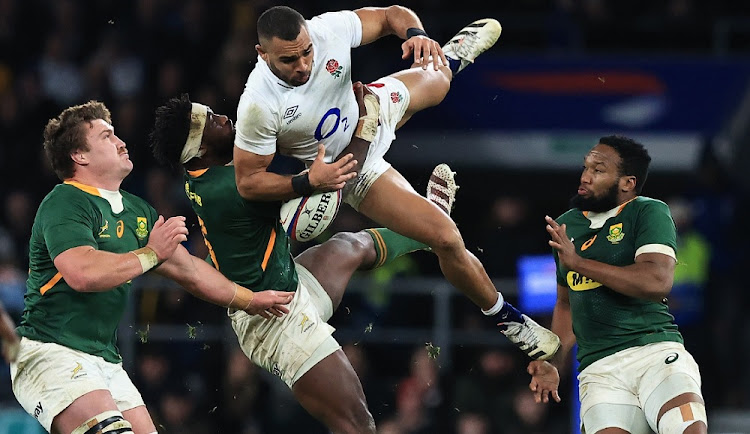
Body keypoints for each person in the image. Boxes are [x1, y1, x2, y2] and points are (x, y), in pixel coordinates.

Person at [232, 5, 559, 360]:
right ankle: (509, 320)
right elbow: (248, 182)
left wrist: (416, 35)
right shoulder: (257, 105)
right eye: (289, 60)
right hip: (352, 170)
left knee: (440, 80)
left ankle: (447, 57)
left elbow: (390, 15)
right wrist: (306, 181)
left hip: (371, 106)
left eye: (307, 52)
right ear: (262, 54)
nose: (304, 65)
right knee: (446, 238)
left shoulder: (326, 30)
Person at [149, 87, 440, 433]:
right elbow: (335, 182)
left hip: (287, 288)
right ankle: (431, 225)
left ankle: (430, 227)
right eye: (211, 119)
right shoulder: (232, 188)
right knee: (359, 424)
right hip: (277, 324)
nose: (223, 118)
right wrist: (365, 124)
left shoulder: (201, 175)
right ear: (200, 147)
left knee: (351, 245)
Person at [11, 101, 295, 434]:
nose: (120, 142)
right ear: (80, 156)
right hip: (50, 353)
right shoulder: (65, 201)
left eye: (115, 134)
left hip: (104, 360)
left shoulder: (136, 211)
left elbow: (188, 270)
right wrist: (149, 253)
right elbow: (82, 273)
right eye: (106, 136)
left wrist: (250, 299)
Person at [527, 136, 707, 433]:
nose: (585, 177)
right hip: (600, 370)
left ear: (627, 183)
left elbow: (656, 281)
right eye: (585, 167)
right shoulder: (566, 226)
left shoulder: (648, 212)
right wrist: (553, 361)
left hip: (655, 353)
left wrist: (580, 263)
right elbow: (566, 303)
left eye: (598, 170)